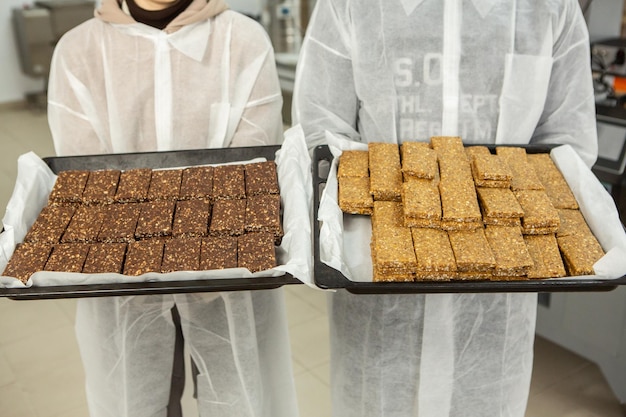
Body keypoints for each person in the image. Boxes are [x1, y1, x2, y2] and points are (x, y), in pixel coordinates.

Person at [293, 1, 597, 417]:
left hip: (495, 306)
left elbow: (567, 144)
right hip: (378, 297)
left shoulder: (551, 7)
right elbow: (322, 130)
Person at [47, 1, 299, 416]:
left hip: (227, 277)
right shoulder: (79, 51)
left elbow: (248, 172)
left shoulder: (242, 40)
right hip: (123, 283)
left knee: (237, 395)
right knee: (140, 399)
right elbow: (89, 180)